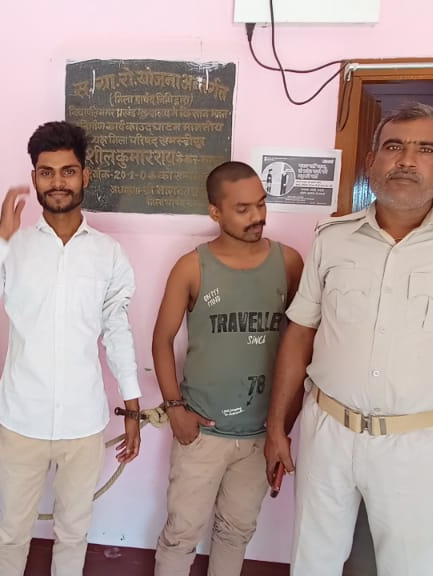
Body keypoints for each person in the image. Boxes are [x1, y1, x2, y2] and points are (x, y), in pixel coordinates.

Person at [264, 102, 433, 575]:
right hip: (328, 431)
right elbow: (300, 334)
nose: (407, 160)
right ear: (372, 161)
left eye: (426, 150)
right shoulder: (332, 238)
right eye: (394, 146)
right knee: (312, 563)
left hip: (418, 446)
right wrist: (279, 427)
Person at [0, 121, 143, 576]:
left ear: (85, 175)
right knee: (12, 533)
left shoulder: (108, 253)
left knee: (73, 533)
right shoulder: (13, 247)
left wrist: (133, 405)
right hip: (23, 419)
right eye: (47, 172)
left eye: (68, 171)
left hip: (84, 422)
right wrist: (1, 236)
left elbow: (116, 330)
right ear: (34, 178)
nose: (58, 182)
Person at [151, 161, 303, 576]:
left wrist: (283, 427)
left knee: (236, 533)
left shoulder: (289, 263)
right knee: (181, 534)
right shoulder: (191, 267)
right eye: (242, 209)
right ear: (215, 212)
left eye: (261, 204)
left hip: (261, 435)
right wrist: (174, 408)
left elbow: (302, 344)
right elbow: (162, 340)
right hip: (203, 432)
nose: (257, 216)